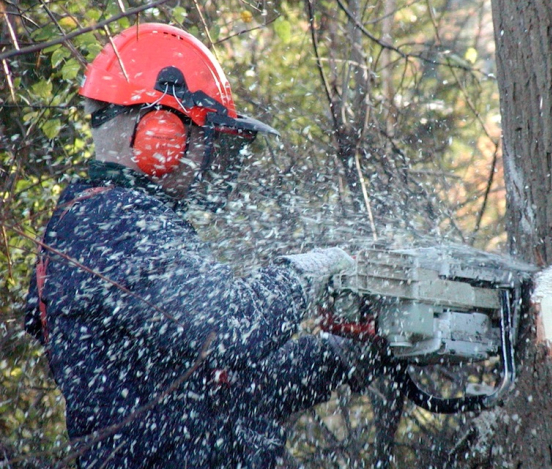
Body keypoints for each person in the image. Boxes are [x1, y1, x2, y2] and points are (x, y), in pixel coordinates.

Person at [25, 23, 387, 468]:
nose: (208, 159)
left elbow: (225, 389)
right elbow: (233, 327)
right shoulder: (112, 224)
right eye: (202, 139)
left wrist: (338, 356)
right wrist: (310, 269)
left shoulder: (116, 223)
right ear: (161, 134)